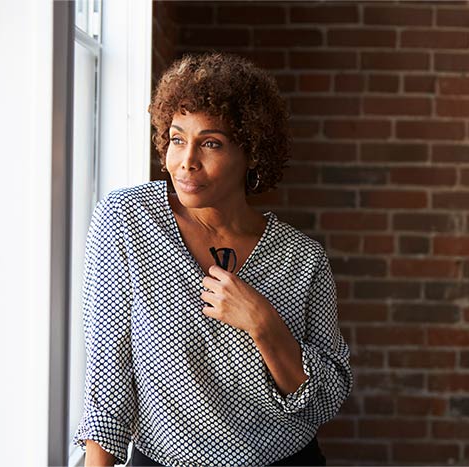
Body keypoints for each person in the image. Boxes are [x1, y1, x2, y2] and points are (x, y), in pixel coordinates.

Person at [72, 52, 353, 467]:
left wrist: (264, 323)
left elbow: (326, 399)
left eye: (211, 143)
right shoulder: (127, 220)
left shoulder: (302, 258)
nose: (186, 160)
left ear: (252, 152)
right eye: (177, 138)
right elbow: (107, 381)